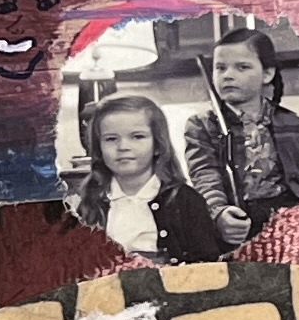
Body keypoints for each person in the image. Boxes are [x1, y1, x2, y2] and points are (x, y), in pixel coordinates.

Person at [181, 22, 299, 242]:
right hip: (238, 217)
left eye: (242, 67)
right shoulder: (201, 125)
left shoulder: (294, 123)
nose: (228, 75)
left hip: (291, 218)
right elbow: (205, 175)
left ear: (267, 74)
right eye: (220, 68)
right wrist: (219, 212)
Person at [67, 90, 228, 264]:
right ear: (99, 148)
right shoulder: (89, 202)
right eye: (111, 139)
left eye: (137, 137)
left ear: (157, 145)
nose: (123, 147)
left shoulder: (186, 201)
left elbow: (207, 265)